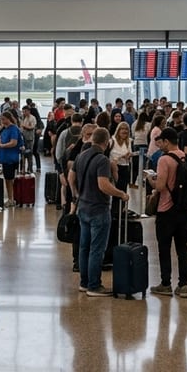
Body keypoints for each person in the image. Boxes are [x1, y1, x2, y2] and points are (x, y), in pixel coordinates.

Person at [69, 127, 130, 296]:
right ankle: (94, 285)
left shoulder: (81, 156)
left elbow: (70, 178)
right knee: (97, 249)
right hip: (99, 209)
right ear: (107, 142)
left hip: (83, 207)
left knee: (84, 247)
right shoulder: (102, 160)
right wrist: (121, 194)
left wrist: (76, 194)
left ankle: (84, 282)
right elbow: (103, 185)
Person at [146, 128, 187, 298]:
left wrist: (151, 179)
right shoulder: (185, 157)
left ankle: (166, 283)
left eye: (161, 141)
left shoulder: (164, 159)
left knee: (164, 248)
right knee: (182, 248)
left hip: (166, 208)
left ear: (166, 141)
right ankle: (183, 285)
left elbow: (160, 186)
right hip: (183, 209)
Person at [0, 111, 22, 207]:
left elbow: (14, 142)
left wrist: (1, 145)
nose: (2, 121)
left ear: (9, 119)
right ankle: (10, 198)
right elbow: (0, 139)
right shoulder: (4, 129)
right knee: (7, 179)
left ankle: (11, 198)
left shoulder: (13, 129)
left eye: (4, 119)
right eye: (1, 119)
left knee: (9, 179)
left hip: (10, 158)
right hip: (4, 158)